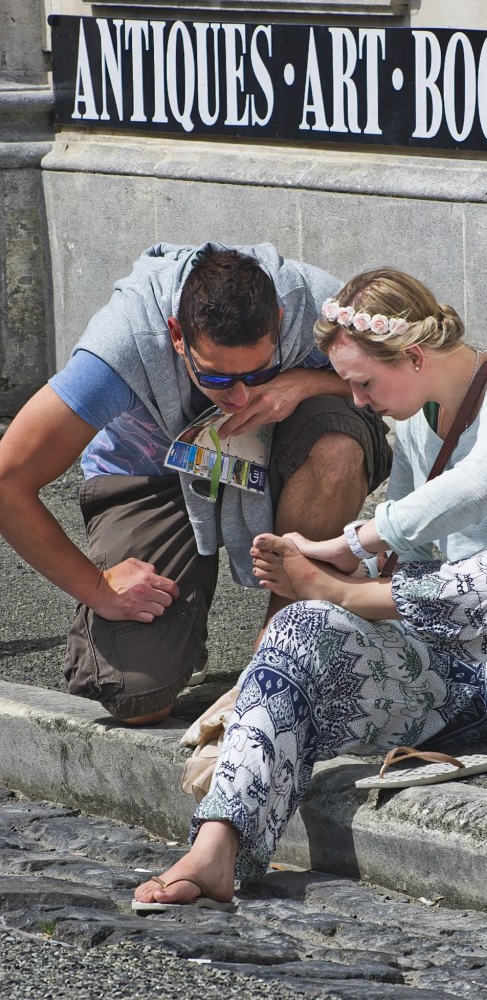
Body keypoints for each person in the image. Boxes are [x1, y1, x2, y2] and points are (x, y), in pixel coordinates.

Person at [132, 266, 487, 909]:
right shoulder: (419, 422)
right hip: (458, 678)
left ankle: (343, 602)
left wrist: (348, 554)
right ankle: (216, 849)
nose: (359, 402)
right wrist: (346, 576)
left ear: (416, 355)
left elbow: (476, 485)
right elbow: (412, 552)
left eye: (362, 383)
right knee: (299, 625)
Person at [0, 244, 391, 724]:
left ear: (282, 320)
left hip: (283, 454)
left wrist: (306, 382)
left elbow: (427, 370)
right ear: (177, 336)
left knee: (335, 447)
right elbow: (7, 480)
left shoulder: (319, 305)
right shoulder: (123, 343)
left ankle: (286, 635)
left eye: (260, 371)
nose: (241, 395)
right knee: (139, 699)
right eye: (218, 378)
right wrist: (97, 588)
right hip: (153, 475)